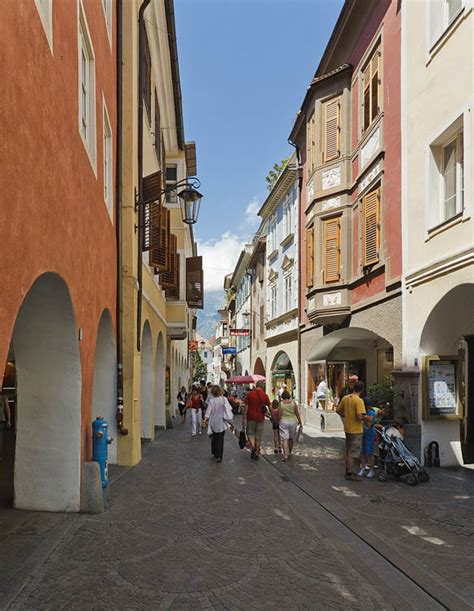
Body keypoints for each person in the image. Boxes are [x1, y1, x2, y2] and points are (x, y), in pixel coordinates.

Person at [336, 381, 370, 481]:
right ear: (362, 390)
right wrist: (366, 417)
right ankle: (350, 473)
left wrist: (345, 416)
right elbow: (359, 416)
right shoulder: (359, 401)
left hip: (347, 428)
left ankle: (348, 471)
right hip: (356, 430)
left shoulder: (346, 398)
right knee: (353, 453)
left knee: (348, 451)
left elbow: (338, 410)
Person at [203, 385, 234, 463]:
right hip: (222, 421)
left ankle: (214, 451)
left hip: (213, 422)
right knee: (220, 438)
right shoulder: (224, 399)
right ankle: (219, 456)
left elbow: (208, 412)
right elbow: (229, 408)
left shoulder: (212, 401)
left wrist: (205, 420)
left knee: (214, 437)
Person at [242, 381, 270, 461]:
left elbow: (246, 407)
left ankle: (253, 447)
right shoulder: (265, 395)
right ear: (262, 387)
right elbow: (270, 406)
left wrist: (244, 418)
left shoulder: (249, 394)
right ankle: (257, 452)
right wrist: (273, 416)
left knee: (250, 433)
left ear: (256, 386)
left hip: (250, 417)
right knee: (258, 435)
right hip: (260, 418)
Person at [279, 391, 303, 462]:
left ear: (282, 397)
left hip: (284, 422)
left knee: (285, 439)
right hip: (293, 422)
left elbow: (280, 414)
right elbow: (297, 414)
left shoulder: (281, 404)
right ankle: (289, 452)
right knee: (291, 438)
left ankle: (285, 455)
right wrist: (300, 422)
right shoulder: (293, 403)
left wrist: (278, 420)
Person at [359, 396, 376, 478]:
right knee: (362, 451)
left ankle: (371, 469)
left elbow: (369, 424)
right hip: (363, 433)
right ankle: (362, 467)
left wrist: (365, 418)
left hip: (370, 433)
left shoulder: (371, 413)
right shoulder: (363, 412)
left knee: (369, 452)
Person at [0, 390, 12, 461]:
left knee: (0, 439)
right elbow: (8, 409)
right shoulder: (4, 398)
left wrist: (9, 420)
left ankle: (0, 455)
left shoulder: (4, 398)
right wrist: (9, 421)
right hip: (2, 419)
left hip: (1, 420)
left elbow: (8, 409)